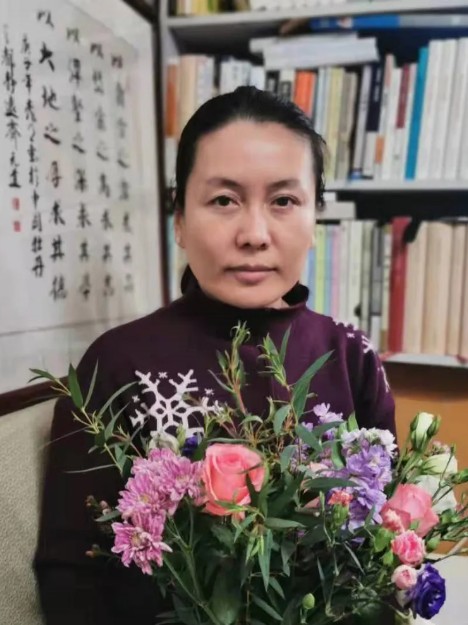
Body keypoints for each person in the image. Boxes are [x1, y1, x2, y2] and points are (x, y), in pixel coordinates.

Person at [34, 86, 396, 624]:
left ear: (315, 219)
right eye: (224, 200)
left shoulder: (350, 355)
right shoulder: (114, 365)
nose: (254, 234)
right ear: (180, 219)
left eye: (284, 201)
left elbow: (382, 551)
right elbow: (71, 575)